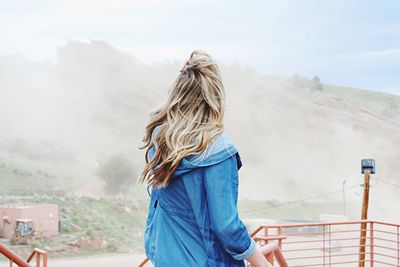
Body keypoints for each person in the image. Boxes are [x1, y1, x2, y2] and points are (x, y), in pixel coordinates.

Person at [139, 50, 271, 267]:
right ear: (215, 96)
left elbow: (157, 210)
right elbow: (226, 227)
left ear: (177, 93)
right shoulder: (219, 152)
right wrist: (261, 262)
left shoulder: (161, 143)